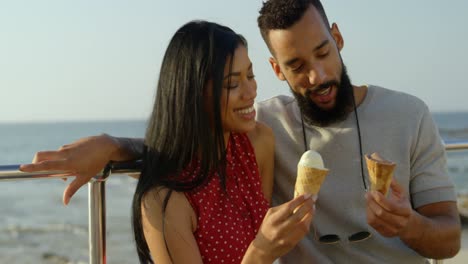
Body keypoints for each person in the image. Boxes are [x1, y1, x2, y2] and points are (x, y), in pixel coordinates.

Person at [21, 0, 461, 263]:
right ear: (278, 69)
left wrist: (410, 225)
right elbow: (189, 143)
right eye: (296, 67)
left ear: (338, 38)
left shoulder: (408, 114)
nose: (318, 75)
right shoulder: (264, 126)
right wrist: (115, 146)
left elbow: (448, 235)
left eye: (323, 52)